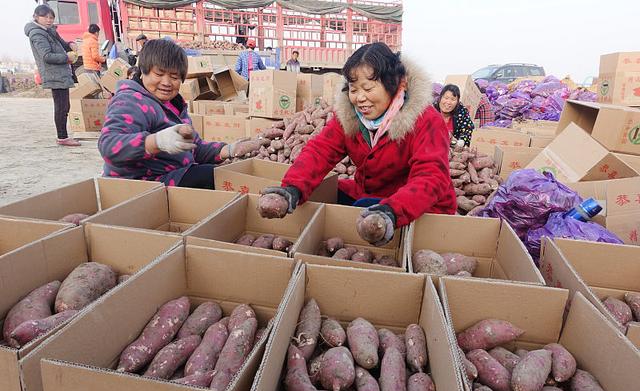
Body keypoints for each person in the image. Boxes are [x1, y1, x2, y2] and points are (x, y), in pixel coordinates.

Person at [258, 42, 456, 247]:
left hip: (416, 204)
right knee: (324, 192)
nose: (360, 98)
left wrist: (391, 211)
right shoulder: (350, 116)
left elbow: (431, 176)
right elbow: (321, 150)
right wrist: (292, 188)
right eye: (353, 89)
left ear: (396, 84)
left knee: (361, 208)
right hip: (371, 195)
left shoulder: (426, 120)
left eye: (368, 88)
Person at [98, 39, 259, 189]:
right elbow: (109, 145)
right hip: (142, 184)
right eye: (159, 74)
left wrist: (229, 150)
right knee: (214, 177)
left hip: (172, 175)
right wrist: (156, 142)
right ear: (143, 72)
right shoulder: (131, 101)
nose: (167, 83)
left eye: (174, 77)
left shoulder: (174, 105)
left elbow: (194, 147)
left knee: (223, 174)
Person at [25, 4, 80, 146]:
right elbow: (47, 56)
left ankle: (63, 136)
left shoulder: (50, 31)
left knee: (64, 106)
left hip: (61, 72)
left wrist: (71, 44)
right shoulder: (37, 33)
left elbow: (63, 45)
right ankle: (62, 137)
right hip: (53, 73)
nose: (49, 20)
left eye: (51, 17)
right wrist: (66, 57)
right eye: (45, 17)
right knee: (61, 106)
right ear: (36, 17)